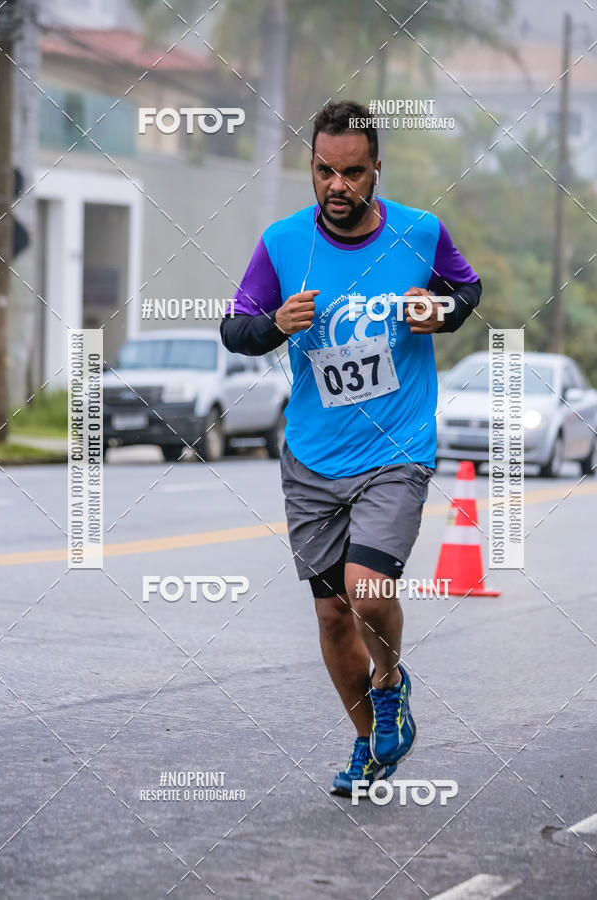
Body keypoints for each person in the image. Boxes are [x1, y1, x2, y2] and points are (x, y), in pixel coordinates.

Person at [220, 100, 482, 797]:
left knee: (367, 595)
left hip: (397, 449)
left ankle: (391, 682)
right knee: (332, 612)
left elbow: (466, 290)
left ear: (375, 172)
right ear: (311, 165)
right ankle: (369, 746)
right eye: (323, 171)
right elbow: (235, 329)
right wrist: (274, 324)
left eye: (353, 174)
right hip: (311, 457)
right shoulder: (281, 244)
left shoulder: (420, 233)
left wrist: (443, 312)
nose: (337, 187)